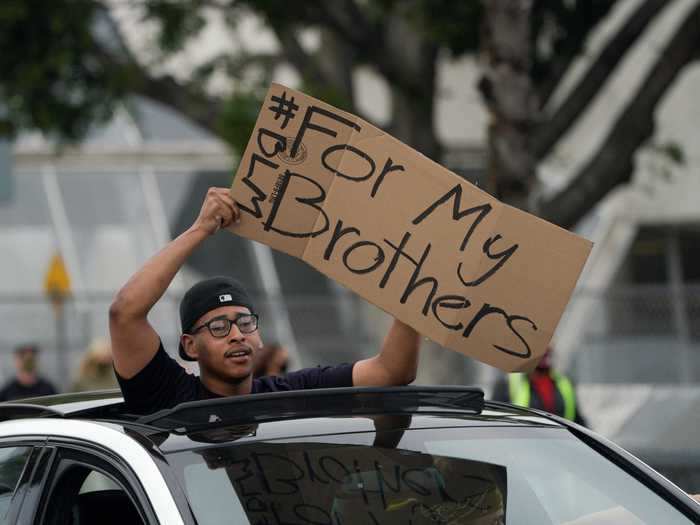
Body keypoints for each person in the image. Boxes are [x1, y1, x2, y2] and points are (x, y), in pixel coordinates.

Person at [109, 187, 421, 415]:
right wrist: (201, 229)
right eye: (219, 326)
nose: (237, 334)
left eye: (245, 322)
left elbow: (391, 373)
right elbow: (125, 312)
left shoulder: (287, 395)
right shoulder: (168, 398)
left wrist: (414, 292)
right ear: (190, 346)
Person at [491, 346, 587, 426]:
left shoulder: (564, 382)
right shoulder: (507, 383)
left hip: (560, 440)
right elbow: (495, 420)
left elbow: (577, 419)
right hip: (523, 442)